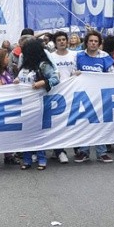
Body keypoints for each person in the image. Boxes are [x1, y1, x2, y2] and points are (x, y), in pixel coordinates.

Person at [15, 39, 60, 170]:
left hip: (37, 103)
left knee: (38, 132)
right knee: (26, 132)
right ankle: (27, 159)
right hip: (24, 104)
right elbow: (21, 78)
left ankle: (41, 159)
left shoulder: (44, 65)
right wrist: (17, 80)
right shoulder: (24, 66)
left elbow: (55, 78)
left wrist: (43, 83)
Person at [72, 30, 114, 164]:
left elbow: (112, 75)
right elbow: (72, 73)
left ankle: (101, 152)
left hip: (100, 95)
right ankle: (83, 151)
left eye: (96, 41)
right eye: (91, 41)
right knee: (84, 123)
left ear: (99, 43)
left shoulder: (105, 57)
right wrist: (76, 74)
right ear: (86, 42)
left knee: (100, 124)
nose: (93, 43)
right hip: (83, 95)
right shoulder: (78, 56)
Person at [47, 31, 77, 164]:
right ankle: (60, 151)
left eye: (64, 39)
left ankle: (79, 149)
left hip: (72, 92)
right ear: (55, 42)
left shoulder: (74, 55)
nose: (62, 42)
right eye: (59, 40)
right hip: (56, 95)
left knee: (74, 122)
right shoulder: (50, 56)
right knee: (57, 123)